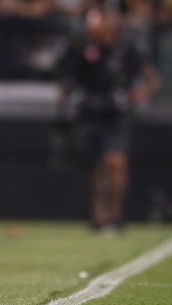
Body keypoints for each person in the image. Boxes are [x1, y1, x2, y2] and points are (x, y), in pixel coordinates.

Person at [60, 6, 159, 233]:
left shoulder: (125, 50)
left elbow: (151, 78)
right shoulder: (83, 49)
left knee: (115, 163)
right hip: (88, 114)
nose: (93, 34)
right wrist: (67, 92)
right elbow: (70, 78)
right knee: (93, 167)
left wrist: (140, 93)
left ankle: (116, 213)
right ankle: (98, 213)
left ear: (109, 27)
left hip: (114, 115)